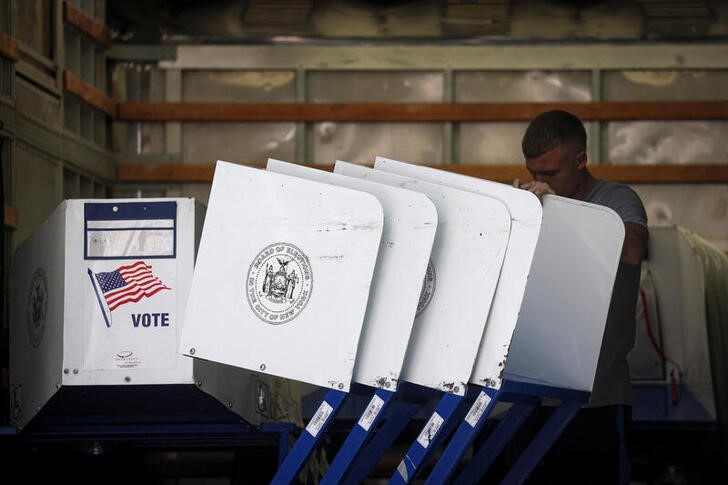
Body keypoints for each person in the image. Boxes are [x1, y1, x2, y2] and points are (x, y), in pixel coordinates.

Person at [513, 109, 648, 484]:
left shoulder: (616, 198)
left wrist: (559, 209)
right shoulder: (535, 201)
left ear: (581, 160)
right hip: (530, 396)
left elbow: (632, 249)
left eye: (550, 173)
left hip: (598, 398)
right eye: (534, 172)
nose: (539, 181)